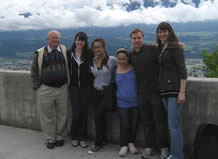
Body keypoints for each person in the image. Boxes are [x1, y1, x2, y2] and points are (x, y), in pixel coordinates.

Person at [129, 28, 169, 159]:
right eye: (134, 38)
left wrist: (179, 46)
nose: (137, 40)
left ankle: (164, 147)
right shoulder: (131, 55)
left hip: (155, 92)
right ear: (131, 40)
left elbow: (167, 52)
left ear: (143, 38)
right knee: (146, 121)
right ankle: (149, 147)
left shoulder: (153, 49)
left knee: (159, 121)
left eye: (139, 37)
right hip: (141, 93)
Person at [31, 30, 70, 149]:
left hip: (62, 88)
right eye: (52, 38)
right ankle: (50, 138)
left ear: (60, 39)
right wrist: (38, 86)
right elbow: (34, 71)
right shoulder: (40, 53)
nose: (55, 40)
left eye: (57, 38)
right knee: (47, 115)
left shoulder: (65, 51)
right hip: (46, 88)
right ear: (48, 39)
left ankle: (59, 136)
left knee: (62, 114)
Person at [156, 22, 187, 159]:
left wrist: (182, 92)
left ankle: (177, 156)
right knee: (173, 125)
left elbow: (183, 71)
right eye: (160, 32)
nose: (162, 34)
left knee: (174, 126)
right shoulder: (162, 47)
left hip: (174, 91)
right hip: (164, 90)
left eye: (165, 31)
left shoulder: (175, 47)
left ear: (170, 32)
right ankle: (176, 154)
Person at [88, 38, 117, 154]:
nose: (97, 49)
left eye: (99, 47)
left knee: (98, 116)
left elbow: (126, 62)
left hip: (106, 93)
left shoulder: (112, 60)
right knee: (101, 117)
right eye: (95, 47)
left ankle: (98, 143)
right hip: (95, 92)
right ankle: (103, 139)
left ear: (104, 47)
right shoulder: (93, 60)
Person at [67, 32, 94, 148]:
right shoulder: (69, 53)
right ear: (75, 40)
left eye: (82, 40)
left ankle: (82, 137)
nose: (80, 42)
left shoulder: (89, 53)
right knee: (76, 113)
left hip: (85, 87)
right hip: (73, 87)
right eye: (78, 40)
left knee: (84, 112)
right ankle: (74, 136)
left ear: (85, 42)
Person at [115, 48, 139, 157]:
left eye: (124, 59)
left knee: (133, 124)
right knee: (124, 125)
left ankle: (131, 143)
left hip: (135, 102)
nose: (122, 61)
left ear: (128, 58)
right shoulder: (114, 70)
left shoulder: (134, 68)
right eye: (119, 59)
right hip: (122, 102)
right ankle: (123, 145)